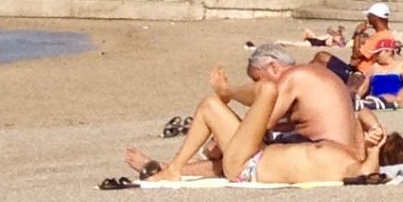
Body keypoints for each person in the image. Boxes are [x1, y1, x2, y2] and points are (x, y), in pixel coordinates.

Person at [125, 43, 388, 183]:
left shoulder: (294, 77)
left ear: (273, 67)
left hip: (308, 150)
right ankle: (170, 167)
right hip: (316, 152)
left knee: (226, 108)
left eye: (256, 77)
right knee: (239, 146)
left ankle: (173, 167)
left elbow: (264, 121)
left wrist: (228, 97)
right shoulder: (317, 75)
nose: (258, 82)